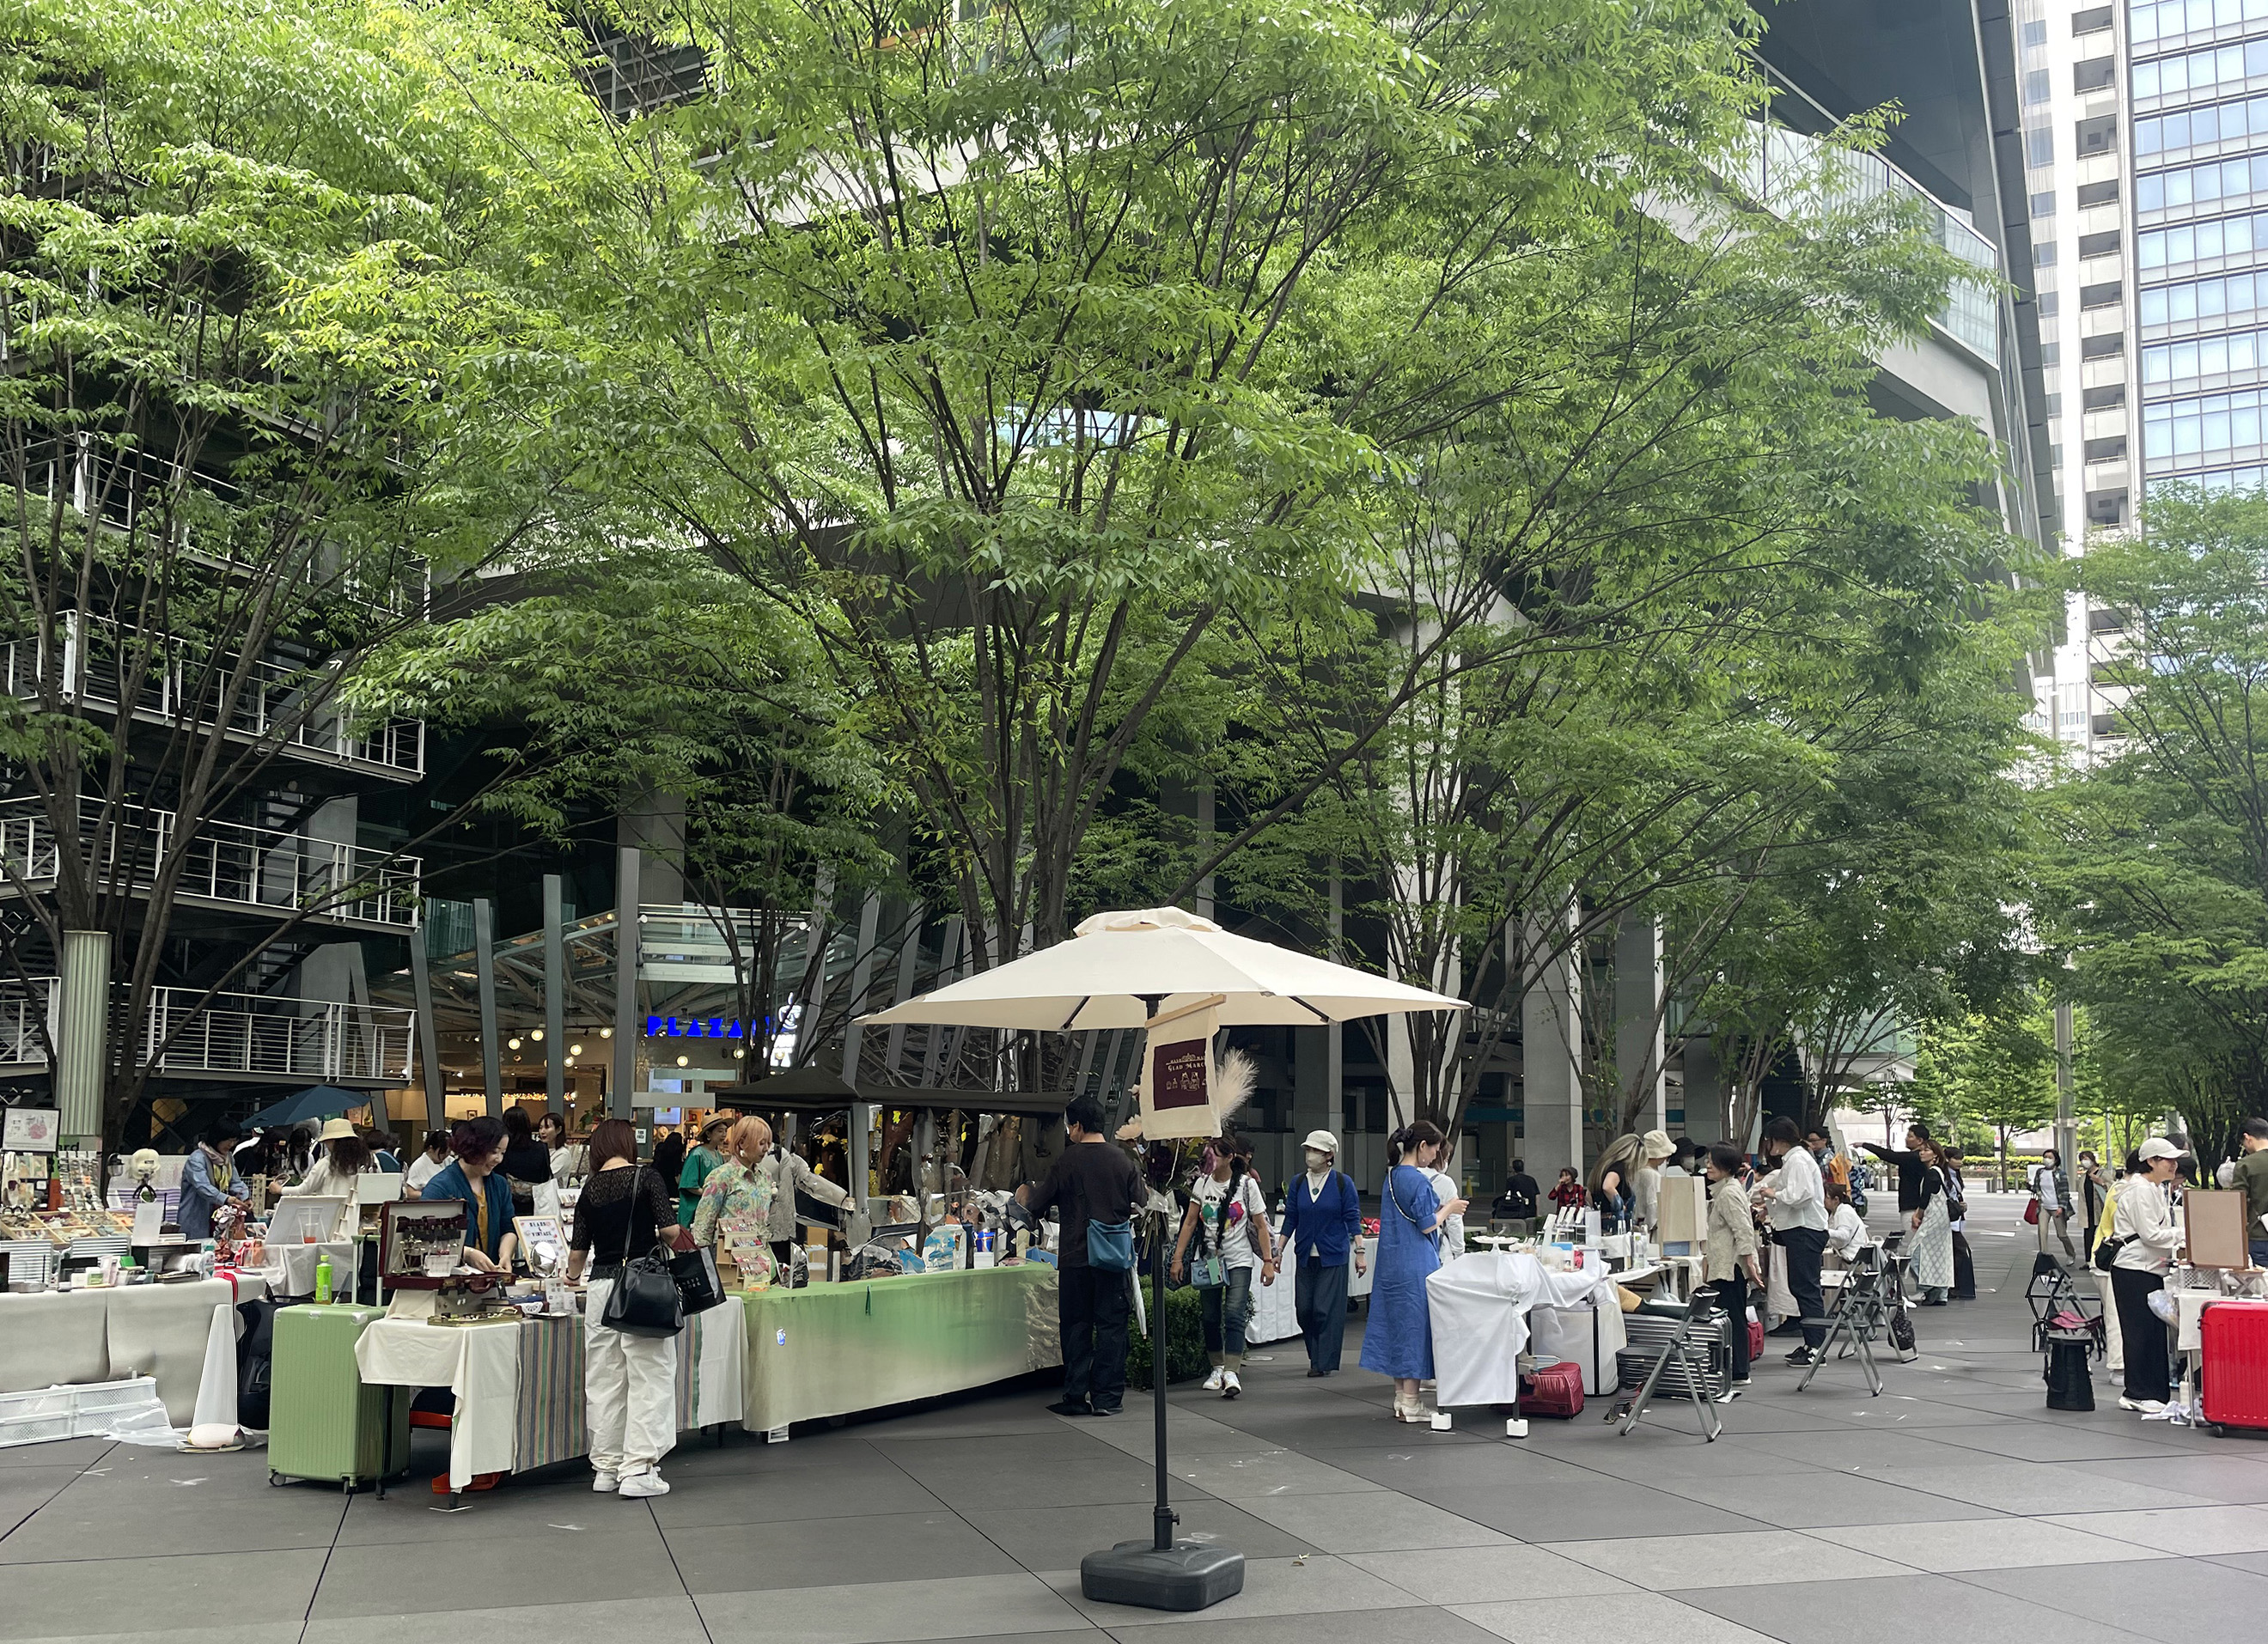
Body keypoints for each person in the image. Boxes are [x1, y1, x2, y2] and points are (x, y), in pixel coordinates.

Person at [565, 1117, 693, 1497]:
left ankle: (605, 1468)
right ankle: (638, 1469)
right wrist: (692, 1255)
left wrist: (571, 1277)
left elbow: (576, 1257)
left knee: (604, 1380)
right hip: (641, 1288)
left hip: (602, 1289)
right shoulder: (647, 1178)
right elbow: (671, 1233)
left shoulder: (589, 1188)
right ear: (627, 1144)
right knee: (649, 1376)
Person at [1019, 1094, 1144, 1417]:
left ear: (1076, 1125)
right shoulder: (1123, 1161)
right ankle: (1108, 1398)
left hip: (1076, 1256)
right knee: (1112, 1327)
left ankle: (1075, 1395)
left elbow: (1037, 1204)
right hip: (1114, 1257)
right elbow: (1142, 1203)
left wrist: (1027, 1197)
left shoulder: (1067, 1161)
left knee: (1076, 1326)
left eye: (1068, 1125)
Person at [1360, 1120, 1468, 1423]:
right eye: (1434, 1149)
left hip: (1391, 1262)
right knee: (1415, 1329)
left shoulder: (1392, 1176)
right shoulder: (1418, 1181)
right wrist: (1449, 1208)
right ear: (1422, 1146)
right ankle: (1411, 1401)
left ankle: (1400, 1398)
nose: (1435, 1156)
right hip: (1416, 1263)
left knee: (1395, 1326)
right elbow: (1427, 1223)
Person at [1171, 1136, 1277, 1398]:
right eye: (1208, 1155)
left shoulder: (1246, 1185)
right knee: (1209, 1316)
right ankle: (1216, 1366)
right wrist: (1177, 1258)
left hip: (1239, 1258)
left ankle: (1231, 1370)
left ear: (1230, 1157)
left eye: (1216, 1155)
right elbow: (1190, 1222)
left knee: (1234, 1313)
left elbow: (1261, 1225)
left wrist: (1268, 1261)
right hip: (1210, 1260)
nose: (1211, 1160)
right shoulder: (1202, 1182)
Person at [2106, 1138, 2185, 1413]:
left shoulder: (2152, 1188)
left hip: (2148, 1267)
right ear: (2151, 1161)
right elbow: (2151, 1235)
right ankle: (2137, 1392)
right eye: (2167, 1159)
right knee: (2139, 1331)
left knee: (2151, 1331)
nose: (2173, 1164)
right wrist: (2184, 1234)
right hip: (2134, 1268)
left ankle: (2151, 1392)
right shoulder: (2140, 1190)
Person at [1280, 1129, 1363, 1376]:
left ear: (1329, 1155)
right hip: (1305, 1254)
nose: (1310, 1155)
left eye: (1315, 1150)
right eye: (1308, 1149)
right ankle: (1315, 1355)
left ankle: (1322, 1362)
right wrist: (1279, 1249)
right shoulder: (1297, 1183)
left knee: (1324, 1309)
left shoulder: (1342, 1182)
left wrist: (1360, 1251)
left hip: (1333, 1255)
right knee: (1304, 1309)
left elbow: (1352, 1217)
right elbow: (1291, 1217)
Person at [1756, 1117, 1827, 1367]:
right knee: (1801, 1287)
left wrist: (1773, 1194)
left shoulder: (1797, 1159)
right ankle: (1812, 1343)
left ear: (1779, 1140)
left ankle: (1817, 1346)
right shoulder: (1798, 1158)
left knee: (1805, 1288)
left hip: (1805, 1229)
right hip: (1802, 1228)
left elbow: (1801, 1195)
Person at [421, 1116, 520, 1272]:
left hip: (490, 1277)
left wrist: (505, 1255)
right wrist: (466, 1253)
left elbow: (509, 1226)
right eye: (494, 1152)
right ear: (475, 1147)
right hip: (450, 1277)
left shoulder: (499, 1185)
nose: (499, 1159)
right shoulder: (440, 1186)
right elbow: (425, 1237)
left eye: (503, 1153)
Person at [692, 1116, 780, 1288]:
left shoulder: (765, 1177)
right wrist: (706, 1269)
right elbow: (703, 1227)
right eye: (761, 1143)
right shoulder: (722, 1176)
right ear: (741, 1143)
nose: (766, 1149)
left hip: (761, 1262)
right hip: (729, 1265)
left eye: (768, 1143)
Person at [1704, 1143, 1764, 1392]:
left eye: (1712, 1162)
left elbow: (1743, 1228)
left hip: (1730, 1267)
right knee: (1729, 1318)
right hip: (1726, 1265)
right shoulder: (1726, 1190)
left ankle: (1739, 1369)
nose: (1707, 1165)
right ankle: (1733, 1368)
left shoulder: (1729, 1193)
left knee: (1732, 1319)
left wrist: (1750, 1263)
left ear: (1726, 1166)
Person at [758, 1127, 853, 1271]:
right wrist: (843, 1199)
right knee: (783, 1271)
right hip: (778, 1227)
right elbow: (810, 1181)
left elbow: (810, 1182)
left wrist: (842, 1199)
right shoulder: (786, 1158)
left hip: (767, 1229)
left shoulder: (783, 1158)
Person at [279, 1121, 374, 1240]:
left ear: (333, 1141)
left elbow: (303, 1190)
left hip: (328, 1220)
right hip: (357, 1221)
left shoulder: (327, 1164)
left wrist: (280, 1189)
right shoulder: (365, 1161)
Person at [179, 1121, 251, 1240]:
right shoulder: (197, 1159)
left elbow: (235, 1182)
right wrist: (227, 1199)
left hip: (220, 1218)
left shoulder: (228, 1158)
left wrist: (245, 1198)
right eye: (228, 1140)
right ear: (217, 1138)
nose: (231, 1144)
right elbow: (203, 1187)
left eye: (234, 1141)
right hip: (196, 1217)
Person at [1907, 1137, 1954, 1305]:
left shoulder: (1932, 1173)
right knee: (1939, 1255)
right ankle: (1941, 1293)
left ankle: (1927, 1287)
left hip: (1933, 1217)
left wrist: (1917, 1215)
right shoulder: (1941, 1172)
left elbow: (1926, 1197)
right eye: (1921, 1150)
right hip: (1942, 1218)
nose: (1922, 1153)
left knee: (1913, 1252)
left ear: (1935, 1155)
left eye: (1926, 1150)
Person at [1860, 1124, 1935, 1218]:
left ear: (1920, 1140)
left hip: (1912, 1207)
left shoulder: (1914, 1157)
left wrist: (1865, 1145)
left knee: (1912, 1232)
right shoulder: (1915, 1157)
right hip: (1915, 1206)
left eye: (1910, 1136)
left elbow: (1890, 1155)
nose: (1906, 1139)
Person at [500, 1107, 556, 1218]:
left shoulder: (503, 1151)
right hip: (536, 1206)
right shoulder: (541, 1148)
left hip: (508, 1206)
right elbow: (545, 1177)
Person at [680, 1116, 732, 1225]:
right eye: (720, 1131)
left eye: (725, 1131)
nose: (724, 1135)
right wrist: (709, 1194)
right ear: (708, 1134)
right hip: (695, 1208)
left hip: (712, 1208)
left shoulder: (718, 1155)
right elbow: (689, 1184)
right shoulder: (697, 1154)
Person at [1588, 1133, 1643, 1232]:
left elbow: (1588, 1194)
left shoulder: (1602, 1167)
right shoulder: (1620, 1168)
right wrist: (1621, 1207)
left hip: (1600, 1223)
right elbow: (1608, 1186)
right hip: (1614, 1225)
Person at [2031, 1148, 2077, 1259]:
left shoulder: (2060, 1174)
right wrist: (2028, 1185)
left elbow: (2064, 1192)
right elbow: (2036, 1188)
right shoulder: (2040, 1172)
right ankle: (2044, 1255)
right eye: (2045, 1157)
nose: (2047, 1159)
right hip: (2044, 1207)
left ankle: (2071, 1253)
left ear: (2056, 1160)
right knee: (2042, 1232)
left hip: (2056, 1207)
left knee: (2062, 1234)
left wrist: (2061, 1207)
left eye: (2050, 1157)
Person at [1943, 1148, 1976, 1300]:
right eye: (1956, 1159)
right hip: (1948, 1219)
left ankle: (1957, 1285)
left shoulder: (1955, 1175)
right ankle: (1956, 1285)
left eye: (1961, 1159)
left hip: (1956, 1217)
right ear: (1947, 1159)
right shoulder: (1943, 1175)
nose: (1959, 1162)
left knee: (1958, 1251)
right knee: (1961, 1251)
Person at [1633, 1130, 1676, 1230]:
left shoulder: (1638, 1171)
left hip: (1637, 1223)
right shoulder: (1653, 1175)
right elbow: (1653, 1204)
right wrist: (1652, 1227)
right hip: (1648, 1227)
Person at [1825, 1181, 1872, 1266]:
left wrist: (1824, 1231)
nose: (1824, 1200)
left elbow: (1844, 1235)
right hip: (1853, 1256)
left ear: (1836, 1200)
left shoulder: (1844, 1212)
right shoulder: (1835, 1213)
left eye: (1827, 1198)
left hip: (1852, 1258)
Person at [1492, 1156, 1539, 1231]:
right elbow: (1537, 1196)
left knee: (1517, 1232)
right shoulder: (1531, 1179)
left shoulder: (1511, 1180)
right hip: (1531, 1211)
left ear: (1513, 1169)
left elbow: (1507, 1195)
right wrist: (1537, 1212)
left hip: (1517, 1212)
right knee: (1529, 1232)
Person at [540, 1111, 583, 1186]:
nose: (542, 1131)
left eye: (547, 1127)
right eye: (541, 1128)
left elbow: (548, 1177)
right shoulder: (540, 1150)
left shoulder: (563, 1154)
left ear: (558, 1130)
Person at [2078, 1149, 2110, 1251]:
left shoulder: (2103, 1173)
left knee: (2101, 1236)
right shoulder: (2084, 1177)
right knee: (2088, 1236)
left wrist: (2102, 1183)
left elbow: (2113, 1188)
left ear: (2092, 1159)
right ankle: (2088, 1260)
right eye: (2082, 1159)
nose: (2084, 1161)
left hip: (2100, 1210)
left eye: (2086, 1159)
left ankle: (2098, 1260)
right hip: (2087, 1211)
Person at [404, 1129, 451, 1197]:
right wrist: (432, 1195)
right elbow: (410, 1193)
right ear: (431, 1149)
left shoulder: (450, 1161)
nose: (446, 1155)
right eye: (442, 1152)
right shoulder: (419, 1165)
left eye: (448, 1152)